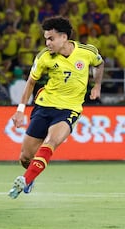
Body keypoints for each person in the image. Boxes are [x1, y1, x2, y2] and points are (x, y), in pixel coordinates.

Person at [8, 16, 104, 199]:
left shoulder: (87, 52)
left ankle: (25, 180)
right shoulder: (44, 57)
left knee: (51, 142)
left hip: (70, 109)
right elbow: (30, 83)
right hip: (44, 106)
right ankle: (30, 174)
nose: (47, 43)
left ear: (64, 37)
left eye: (51, 39)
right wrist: (20, 110)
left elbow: (99, 64)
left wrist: (97, 85)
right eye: (46, 39)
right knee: (25, 157)